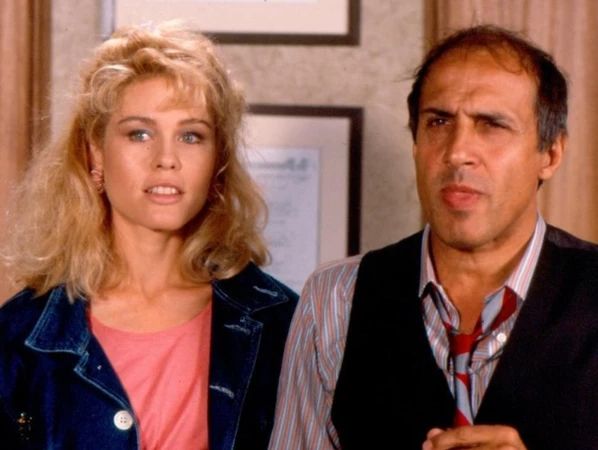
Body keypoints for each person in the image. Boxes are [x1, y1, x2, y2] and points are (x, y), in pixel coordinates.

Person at [269, 25, 598, 450]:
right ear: (416, 142)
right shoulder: (333, 300)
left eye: (492, 125)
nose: (457, 151)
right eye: (439, 122)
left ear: (550, 154)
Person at [0, 23, 298, 450]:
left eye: (191, 136)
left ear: (217, 161)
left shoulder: (281, 323)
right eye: (139, 133)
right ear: (95, 151)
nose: (166, 159)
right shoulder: (19, 337)